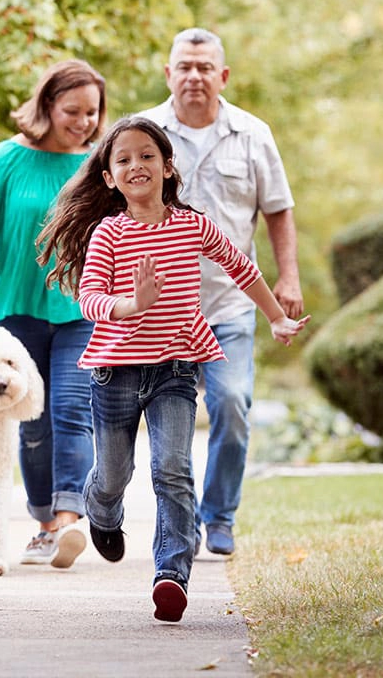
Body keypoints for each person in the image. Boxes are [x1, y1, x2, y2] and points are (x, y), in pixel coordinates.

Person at [36, 115, 309, 622]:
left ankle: (171, 574)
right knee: (114, 473)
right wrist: (130, 305)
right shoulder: (108, 234)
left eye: (146, 155)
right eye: (123, 159)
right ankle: (102, 512)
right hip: (116, 370)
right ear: (110, 178)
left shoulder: (192, 225)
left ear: (166, 166)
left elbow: (241, 267)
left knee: (173, 469)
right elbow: (90, 297)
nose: (136, 165)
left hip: (175, 368)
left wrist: (275, 318)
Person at [139, 28, 304, 557]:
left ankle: (220, 515)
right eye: (184, 66)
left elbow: (277, 208)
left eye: (204, 67)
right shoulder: (144, 135)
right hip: (162, 310)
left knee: (232, 404)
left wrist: (288, 278)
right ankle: (179, 526)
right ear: (168, 74)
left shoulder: (254, 134)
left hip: (232, 303)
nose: (193, 76)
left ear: (223, 75)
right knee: (167, 425)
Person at [0, 59, 107, 569]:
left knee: (70, 410)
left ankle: (67, 520)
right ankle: (42, 522)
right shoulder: (6, 159)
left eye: (91, 112)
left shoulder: (98, 165)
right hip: (17, 308)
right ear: (47, 105)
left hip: (82, 306)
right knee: (32, 423)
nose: (83, 122)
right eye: (72, 110)